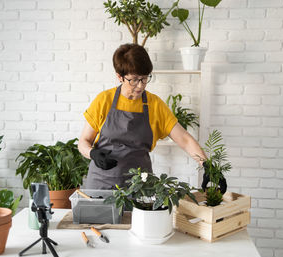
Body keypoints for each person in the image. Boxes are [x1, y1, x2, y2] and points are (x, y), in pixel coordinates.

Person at [78, 43, 225, 192]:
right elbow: (83, 141)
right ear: (119, 77)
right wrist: (92, 153)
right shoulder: (104, 100)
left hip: (140, 187)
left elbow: (185, 140)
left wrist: (208, 165)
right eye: (134, 79)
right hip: (101, 184)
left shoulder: (154, 104)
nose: (141, 86)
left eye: (144, 78)